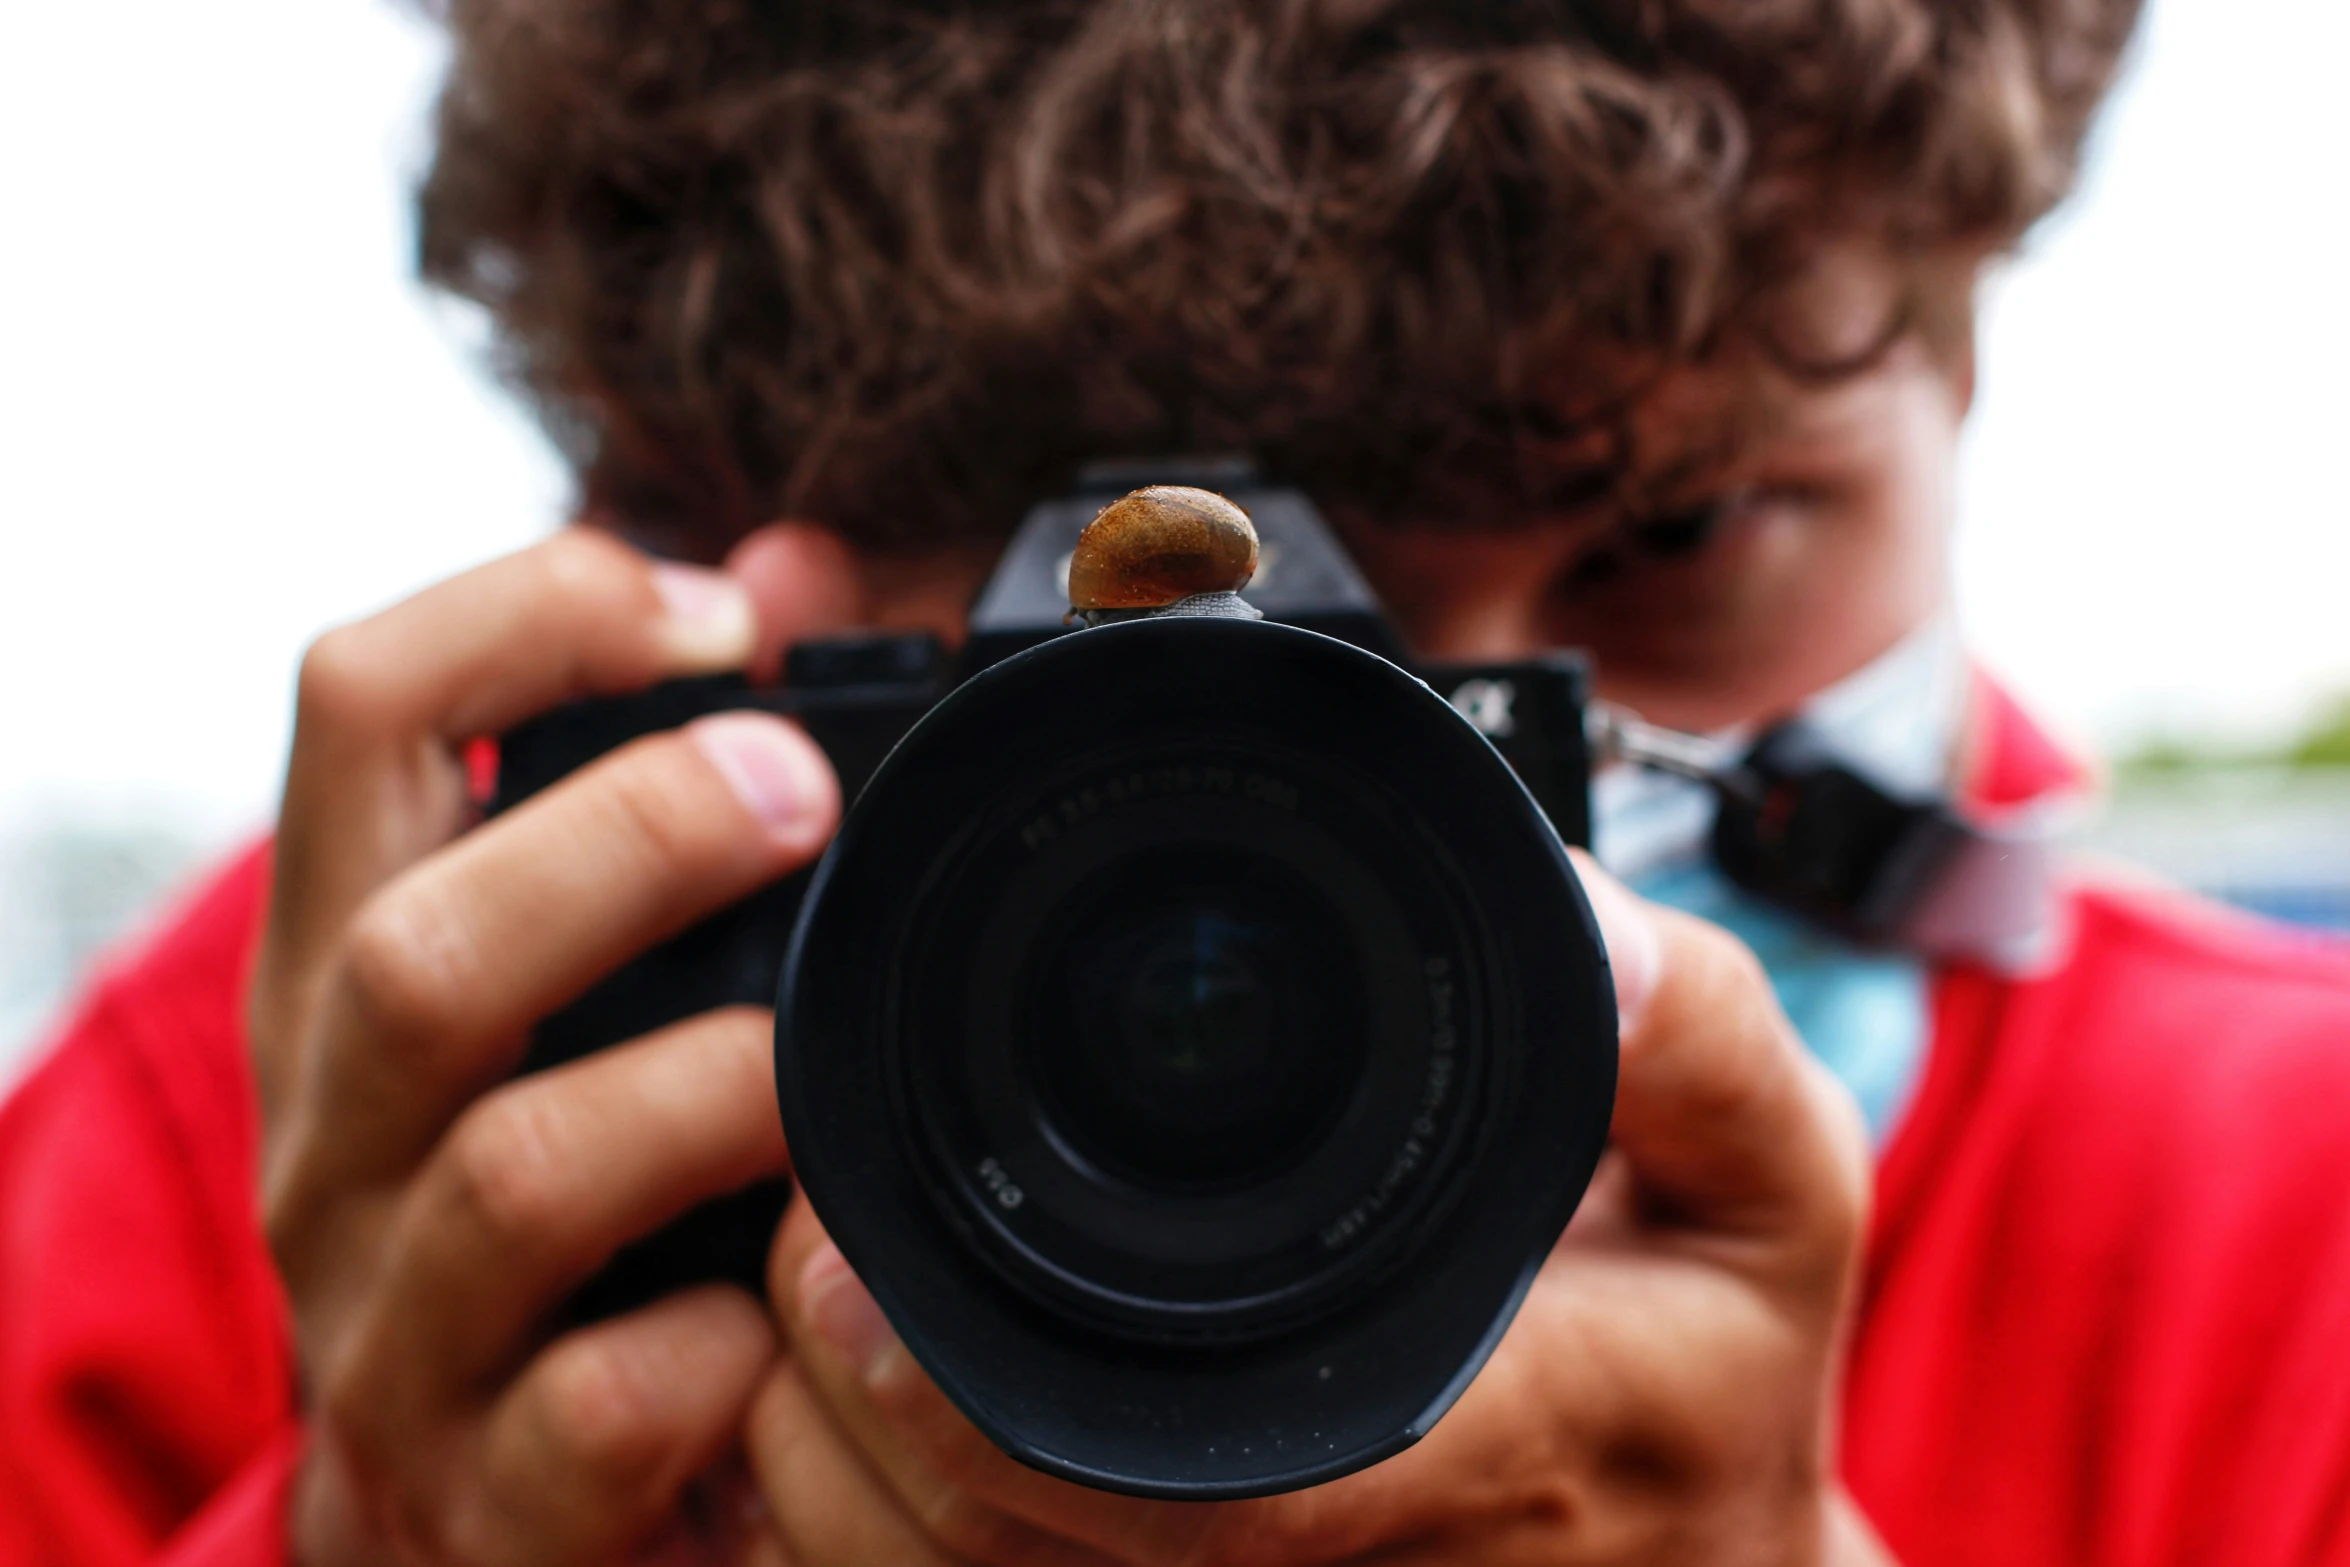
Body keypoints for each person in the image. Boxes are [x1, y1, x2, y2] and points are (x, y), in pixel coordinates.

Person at [7, 0, 2350, 1563]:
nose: (1409, 814)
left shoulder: (2288, 1244)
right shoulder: (341, 1111)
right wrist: (372, 1520)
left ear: (1956, 365)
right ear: (714, 563)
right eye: (1067, 686)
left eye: (1668, 539)